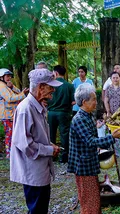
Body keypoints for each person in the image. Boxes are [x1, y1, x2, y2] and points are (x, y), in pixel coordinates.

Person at [67, 83, 120, 213]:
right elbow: (90, 141)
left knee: (93, 199)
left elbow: (92, 138)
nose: (96, 102)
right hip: (83, 166)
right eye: (94, 99)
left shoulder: (88, 115)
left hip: (89, 163)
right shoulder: (79, 119)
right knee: (90, 203)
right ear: (84, 102)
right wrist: (111, 137)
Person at [10, 69, 62, 214]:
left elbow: (37, 136)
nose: (53, 90)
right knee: (37, 209)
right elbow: (24, 144)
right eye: (50, 87)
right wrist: (49, 150)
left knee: (40, 208)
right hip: (32, 171)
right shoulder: (25, 109)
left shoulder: (37, 106)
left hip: (39, 169)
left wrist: (49, 145)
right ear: (40, 87)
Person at [47, 65, 75, 163]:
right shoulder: (69, 86)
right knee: (65, 135)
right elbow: (74, 102)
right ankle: (64, 157)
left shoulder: (50, 85)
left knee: (50, 134)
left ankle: (52, 155)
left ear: (56, 73)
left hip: (51, 113)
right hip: (64, 113)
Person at [0, 68, 28, 158]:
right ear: (1, 77)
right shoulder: (1, 86)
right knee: (10, 133)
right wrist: (22, 95)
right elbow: (10, 98)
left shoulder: (6, 85)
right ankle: (9, 153)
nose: (9, 78)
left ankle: (12, 152)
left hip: (11, 114)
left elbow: (18, 93)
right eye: (7, 76)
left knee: (12, 133)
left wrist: (12, 87)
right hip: (7, 115)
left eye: (10, 76)